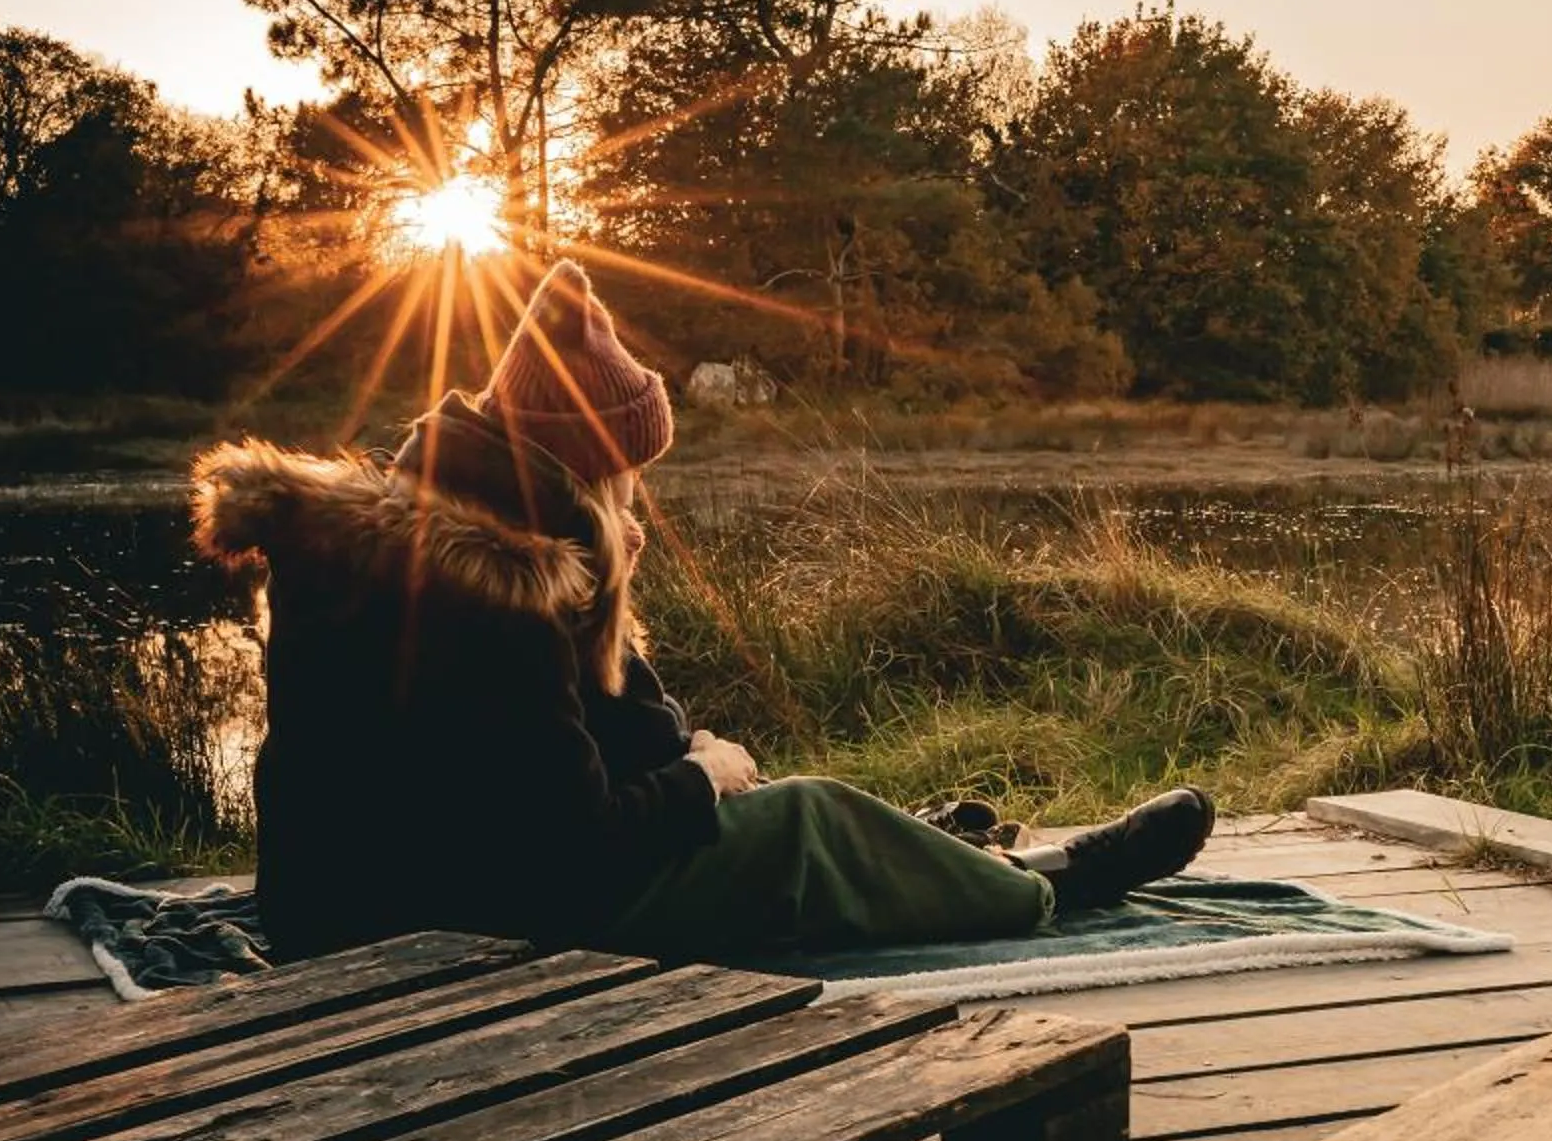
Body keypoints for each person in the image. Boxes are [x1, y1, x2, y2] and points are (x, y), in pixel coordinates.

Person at [190, 259, 1213, 962]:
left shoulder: (388, 537)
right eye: (630, 474)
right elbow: (572, 843)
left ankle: (931, 850)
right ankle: (1047, 883)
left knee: (776, 811)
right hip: (448, 935)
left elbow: (526, 765)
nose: (638, 497)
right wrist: (701, 772)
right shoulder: (496, 589)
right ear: (589, 470)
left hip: (335, 910)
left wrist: (608, 622)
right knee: (806, 819)